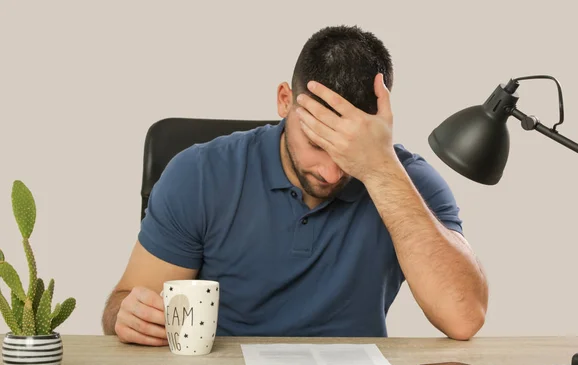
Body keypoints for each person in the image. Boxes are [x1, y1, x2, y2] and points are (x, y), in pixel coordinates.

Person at [102, 25, 488, 346]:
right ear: (285, 100)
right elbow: (122, 303)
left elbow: (464, 318)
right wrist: (127, 315)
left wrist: (381, 169)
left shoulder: (408, 183)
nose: (332, 174)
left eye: (350, 150)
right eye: (318, 143)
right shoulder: (199, 173)